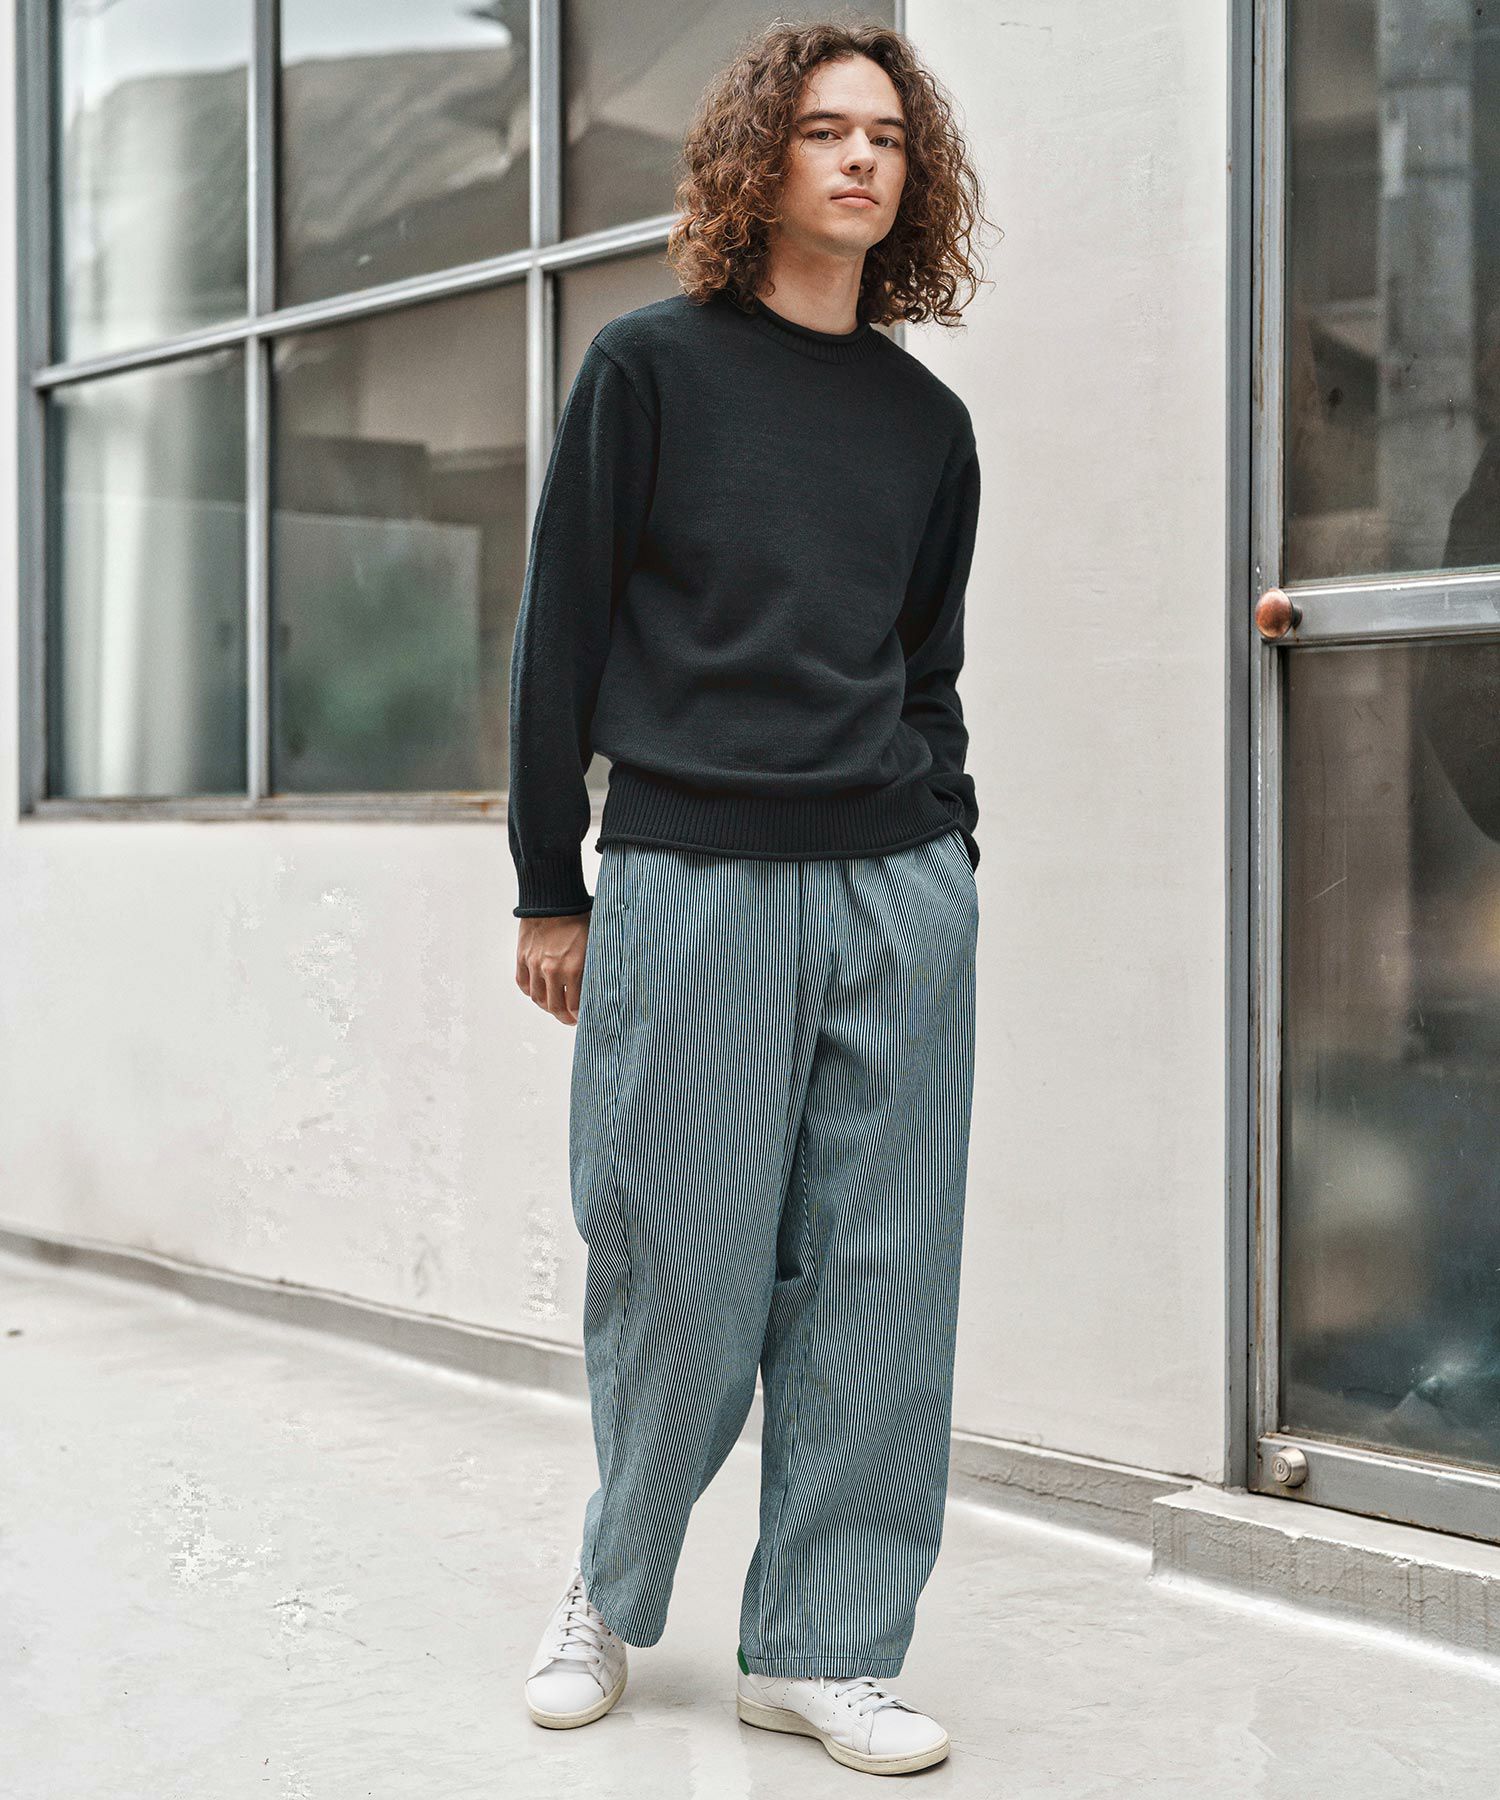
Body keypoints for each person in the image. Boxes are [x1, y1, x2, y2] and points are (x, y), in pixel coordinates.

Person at [509, 18, 990, 1779]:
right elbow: (559, 637)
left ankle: (822, 1650)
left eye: (888, 136)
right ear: (757, 160)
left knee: (882, 1281)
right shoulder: (647, 370)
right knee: (678, 1272)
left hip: (894, 886)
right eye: (824, 130)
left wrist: (949, 853)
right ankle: (611, 1586)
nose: (861, 158)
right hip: (695, 873)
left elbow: (925, 672)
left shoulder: (927, 424)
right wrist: (549, 885)